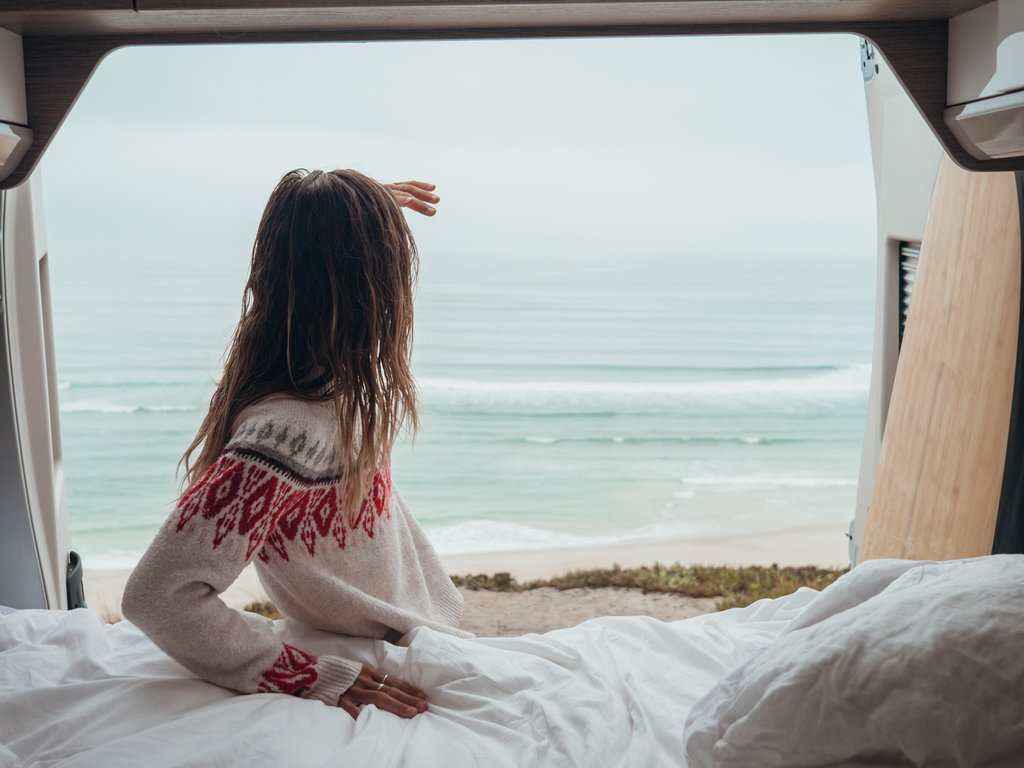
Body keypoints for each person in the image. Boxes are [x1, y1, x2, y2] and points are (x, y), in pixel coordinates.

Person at [120, 169, 473, 721]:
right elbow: (157, 596)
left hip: (420, 635)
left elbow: (308, 258)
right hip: (390, 653)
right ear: (373, 284)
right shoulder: (286, 433)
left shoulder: (315, 376)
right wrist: (310, 674)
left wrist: (356, 205)